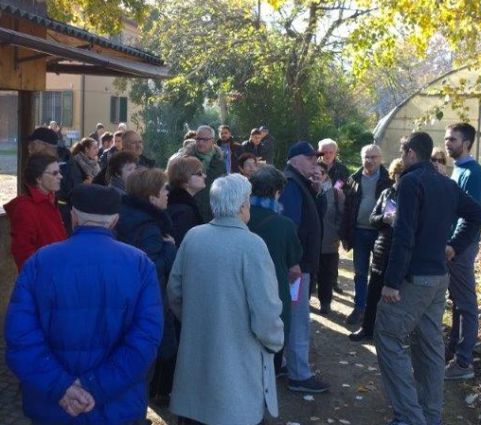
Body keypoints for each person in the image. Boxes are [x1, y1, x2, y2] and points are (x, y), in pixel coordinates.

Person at [4, 184, 163, 424]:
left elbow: (20, 337)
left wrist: (62, 387)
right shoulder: (139, 264)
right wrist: (95, 386)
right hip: (116, 406)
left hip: (53, 407)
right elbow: (146, 338)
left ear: (74, 217)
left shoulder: (40, 261)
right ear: (114, 221)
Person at [374, 132, 481, 425]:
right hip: (438, 276)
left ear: (411, 152)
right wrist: (454, 246)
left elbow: (404, 234)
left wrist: (392, 281)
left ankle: (411, 416)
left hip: (416, 278)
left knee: (387, 336)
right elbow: (478, 215)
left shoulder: (411, 182)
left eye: (403, 150)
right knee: (429, 346)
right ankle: (429, 415)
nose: (402, 155)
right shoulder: (445, 184)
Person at [168, 174, 284, 425]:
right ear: (243, 206)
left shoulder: (193, 237)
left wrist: (195, 321)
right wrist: (274, 341)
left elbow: (175, 293)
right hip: (238, 365)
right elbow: (265, 311)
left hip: (196, 359)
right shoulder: (252, 245)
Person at [117, 168, 177, 407]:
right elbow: (149, 268)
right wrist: (170, 248)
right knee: (143, 369)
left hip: (125, 303)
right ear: (152, 197)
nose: (168, 194)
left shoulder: (127, 215)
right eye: (164, 189)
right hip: (147, 304)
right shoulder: (152, 227)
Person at [279, 141, 330, 393]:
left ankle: (288, 364)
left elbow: (314, 218)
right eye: (310, 158)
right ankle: (299, 375)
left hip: (301, 264)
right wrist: (294, 262)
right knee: (298, 319)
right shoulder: (291, 183)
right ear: (295, 159)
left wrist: (318, 191)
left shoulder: (301, 183)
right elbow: (290, 227)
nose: (315, 162)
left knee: (294, 316)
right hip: (297, 267)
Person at [248, 165, 303, 375]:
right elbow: (295, 268)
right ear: (277, 192)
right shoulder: (285, 225)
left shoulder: (239, 217)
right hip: (274, 294)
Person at [443, 122, 481, 380]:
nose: (447, 143)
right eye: (446, 139)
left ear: (467, 143)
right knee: (457, 301)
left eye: (452, 140)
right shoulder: (458, 170)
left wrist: (454, 247)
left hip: (461, 247)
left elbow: (472, 217)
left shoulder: (473, 173)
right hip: (452, 245)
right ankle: (453, 350)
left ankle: (463, 363)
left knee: (466, 303)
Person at [349, 158, 402, 341]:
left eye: (404, 175)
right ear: (393, 175)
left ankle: (391, 334)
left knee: (396, 295)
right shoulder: (387, 193)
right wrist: (384, 219)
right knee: (373, 290)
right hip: (382, 248)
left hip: (402, 251)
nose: (400, 178)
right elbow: (373, 218)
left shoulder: (415, 195)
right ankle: (367, 328)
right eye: (398, 175)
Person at [341, 144, 392, 325]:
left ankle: (375, 311)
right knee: (360, 273)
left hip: (380, 233)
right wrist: (345, 234)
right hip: (359, 232)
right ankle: (359, 308)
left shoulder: (389, 179)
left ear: (380, 159)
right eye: (366, 157)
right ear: (361, 158)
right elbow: (347, 208)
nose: (370, 161)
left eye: (374, 157)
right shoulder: (353, 179)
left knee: (378, 274)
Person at [4, 153, 67, 270]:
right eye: (55, 173)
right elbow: (23, 254)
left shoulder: (50, 200)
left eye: (59, 171)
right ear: (38, 178)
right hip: (44, 279)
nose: (60, 176)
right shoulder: (25, 208)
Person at [25, 127, 83, 235]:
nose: (29, 148)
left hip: (61, 213)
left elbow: (74, 189)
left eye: (32, 144)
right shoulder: (62, 158)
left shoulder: (60, 163)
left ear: (41, 146)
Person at [169, 125, 226, 222]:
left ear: (212, 140)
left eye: (204, 140)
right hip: (187, 211)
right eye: (198, 139)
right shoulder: (184, 159)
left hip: (212, 213)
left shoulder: (219, 161)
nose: (200, 142)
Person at [315, 161, 344, 315]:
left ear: (325, 176)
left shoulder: (335, 193)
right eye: (313, 174)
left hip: (329, 241)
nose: (315, 177)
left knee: (327, 275)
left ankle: (325, 302)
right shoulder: (307, 190)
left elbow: (342, 216)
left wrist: (338, 235)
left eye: (318, 174)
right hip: (311, 242)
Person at [166, 156, 206, 246]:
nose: (204, 176)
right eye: (199, 173)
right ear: (184, 178)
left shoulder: (181, 203)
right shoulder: (182, 210)